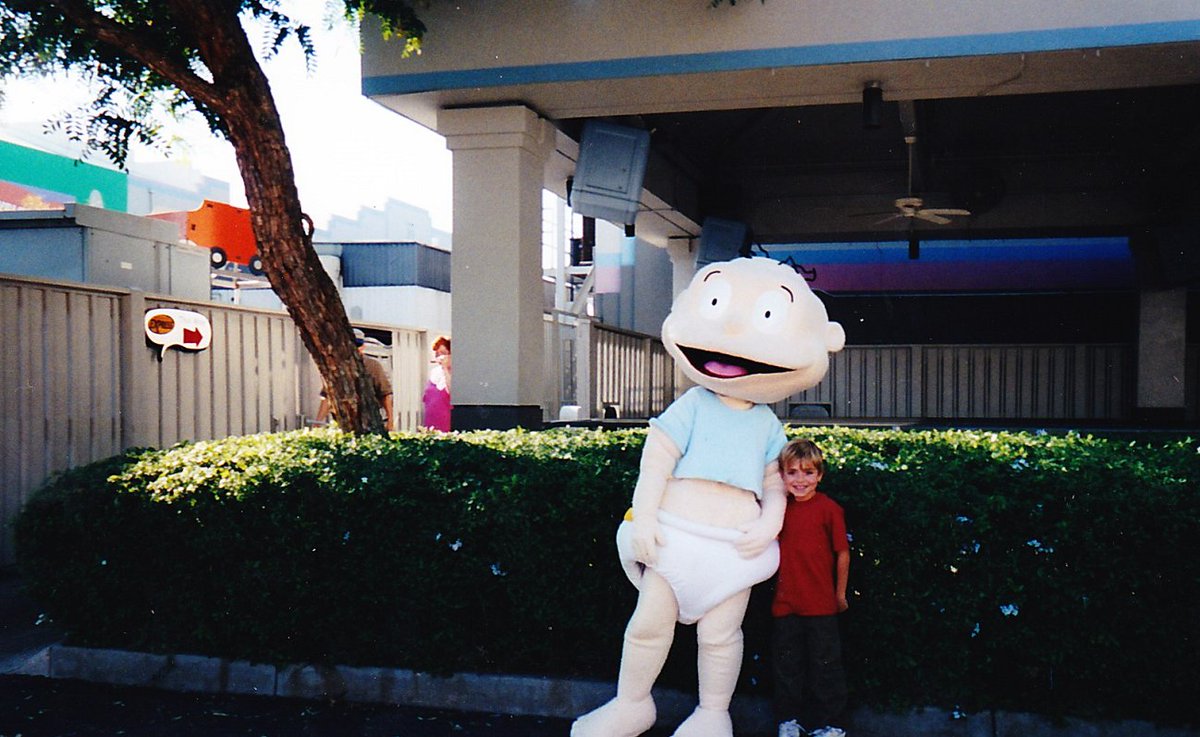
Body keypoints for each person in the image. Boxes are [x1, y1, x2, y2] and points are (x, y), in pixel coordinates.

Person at [771, 439, 850, 737]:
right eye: (792, 473)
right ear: (782, 476)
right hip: (785, 605)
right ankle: (789, 722)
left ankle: (833, 726)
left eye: (807, 473)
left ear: (820, 475)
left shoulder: (830, 510)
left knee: (826, 668)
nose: (800, 480)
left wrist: (839, 594)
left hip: (821, 606)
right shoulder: (778, 509)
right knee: (787, 669)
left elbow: (842, 553)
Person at [314, 328, 394, 431]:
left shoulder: (373, 366)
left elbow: (385, 394)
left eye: (357, 345)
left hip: (369, 421)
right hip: (342, 421)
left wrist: (390, 421)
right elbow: (327, 396)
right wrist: (318, 423)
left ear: (363, 347)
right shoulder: (336, 367)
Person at [422, 335, 452, 431]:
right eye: (437, 354)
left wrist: (446, 369)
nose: (440, 357)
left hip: (449, 425)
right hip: (431, 424)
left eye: (443, 353)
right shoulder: (434, 372)